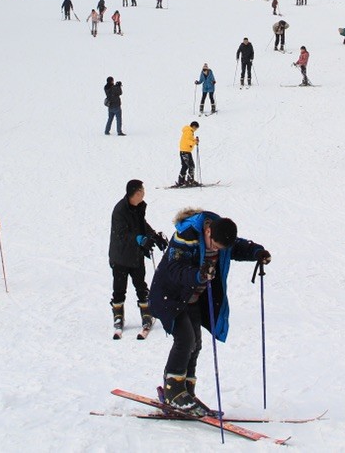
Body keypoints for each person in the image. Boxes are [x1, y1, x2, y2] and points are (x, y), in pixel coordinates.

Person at [148, 208, 269, 414]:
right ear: (208, 232)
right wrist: (198, 274)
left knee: (195, 343)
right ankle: (173, 391)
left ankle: (186, 391)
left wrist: (257, 252)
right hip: (170, 295)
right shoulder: (186, 236)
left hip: (192, 298)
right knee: (185, 338)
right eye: (214, 245)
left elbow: (236, 247)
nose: (216, 249)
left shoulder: (221, 234)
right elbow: (174, 268)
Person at [109, 180, 167, 339]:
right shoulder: (120, 210)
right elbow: (121, 234)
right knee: (119, 288)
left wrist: (154, 236)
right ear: (135, 193)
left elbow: (142, 225)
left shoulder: (138, 207)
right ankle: (118, 316)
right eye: (141, 191)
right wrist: (139, 240)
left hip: (135, 256)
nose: (144, 193)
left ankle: (146, 313)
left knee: (141, 285)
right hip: (120, 256)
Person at [177, 122, 200, 187]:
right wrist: (195, 142)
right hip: (185, 151)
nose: (196, 130)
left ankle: (182, 181)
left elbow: (189, 140)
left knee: (186, 166)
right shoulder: (189, 131)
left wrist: (195, 140)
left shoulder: (189, 131)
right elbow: (188, 141)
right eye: (196, 128)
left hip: (185, 151)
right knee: (190, 166)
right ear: (194, 126)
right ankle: (188, 181)